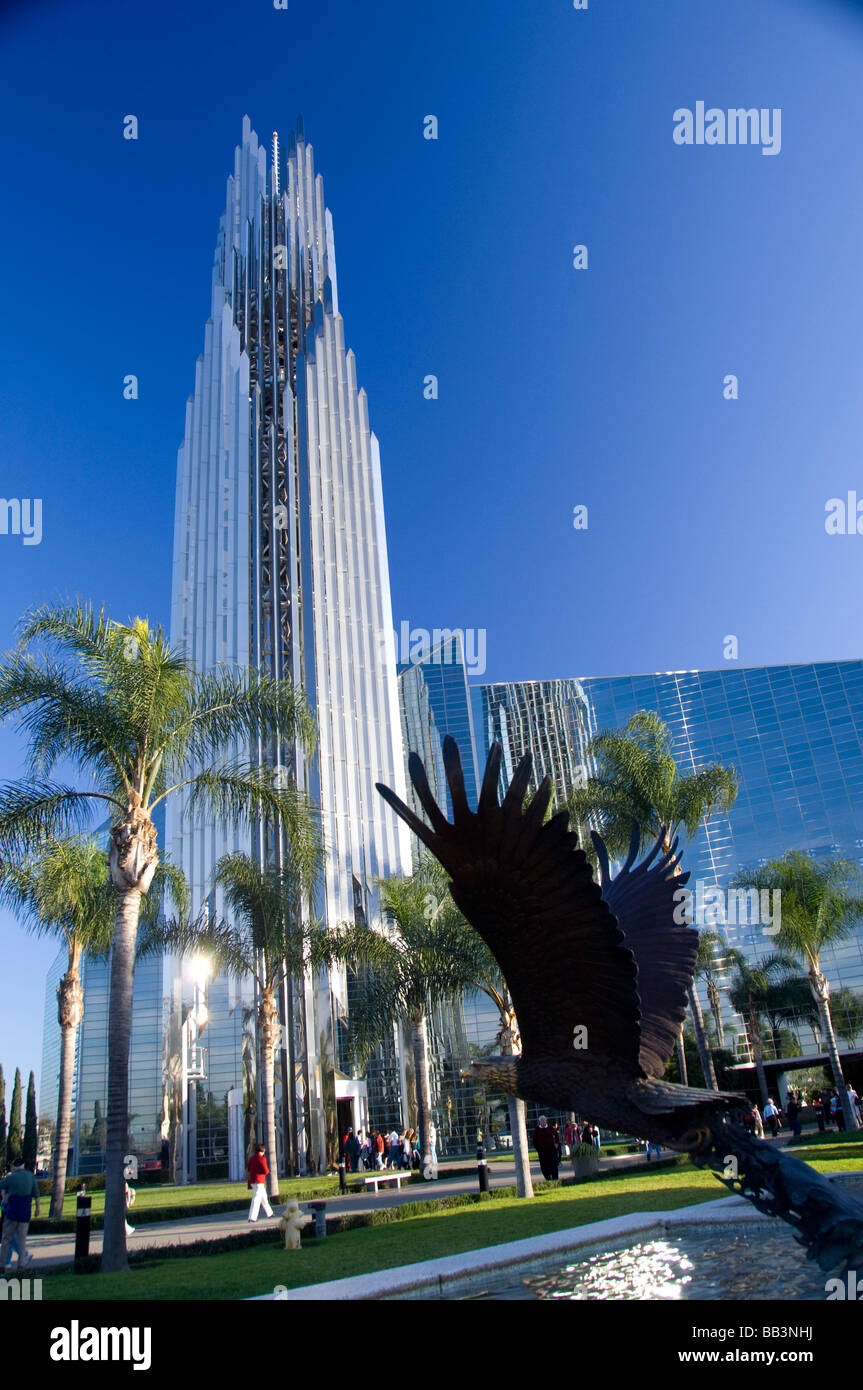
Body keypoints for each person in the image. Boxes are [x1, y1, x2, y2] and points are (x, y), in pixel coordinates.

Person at [0, 1158, 40, 1275]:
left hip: (12, 1212)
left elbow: (2, 1186)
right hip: (25, 1212)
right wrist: (37, 1208)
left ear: (15, 1166)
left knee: (7, 1238)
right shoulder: (30, 1176)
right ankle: (21, 1264)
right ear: (24, 1165)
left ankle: (2, 1264)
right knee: (22, 1239)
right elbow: (36, 1194)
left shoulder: (11, 1178)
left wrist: (4, 1195)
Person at [246, 1143, 275, 1221]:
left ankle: (269, 1212)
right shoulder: (262, 1158)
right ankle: (252, 1217)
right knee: (256, 1199)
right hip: (260, 1181)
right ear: (263, 1150)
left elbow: (248, 1168)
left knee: (263, 1197)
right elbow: (265, 1170)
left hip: (253, 1180)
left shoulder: (251, 1158)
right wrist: (268, 1172)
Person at [532, 1115, 559, 1180]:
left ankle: (555, 1179)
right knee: (544, 1166)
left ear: (546, 1121)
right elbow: (534, 1140)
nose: (543, 1122)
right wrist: (538, 1148)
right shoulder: (537, 1130)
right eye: (542, 1121)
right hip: (542, 1151)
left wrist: (556, 1143)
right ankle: (548, 1178)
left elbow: (557, 1135)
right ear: (539, 1122)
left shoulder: (550, 1128)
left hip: (551, 1150)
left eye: (544, 1120)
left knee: (554, 1165)